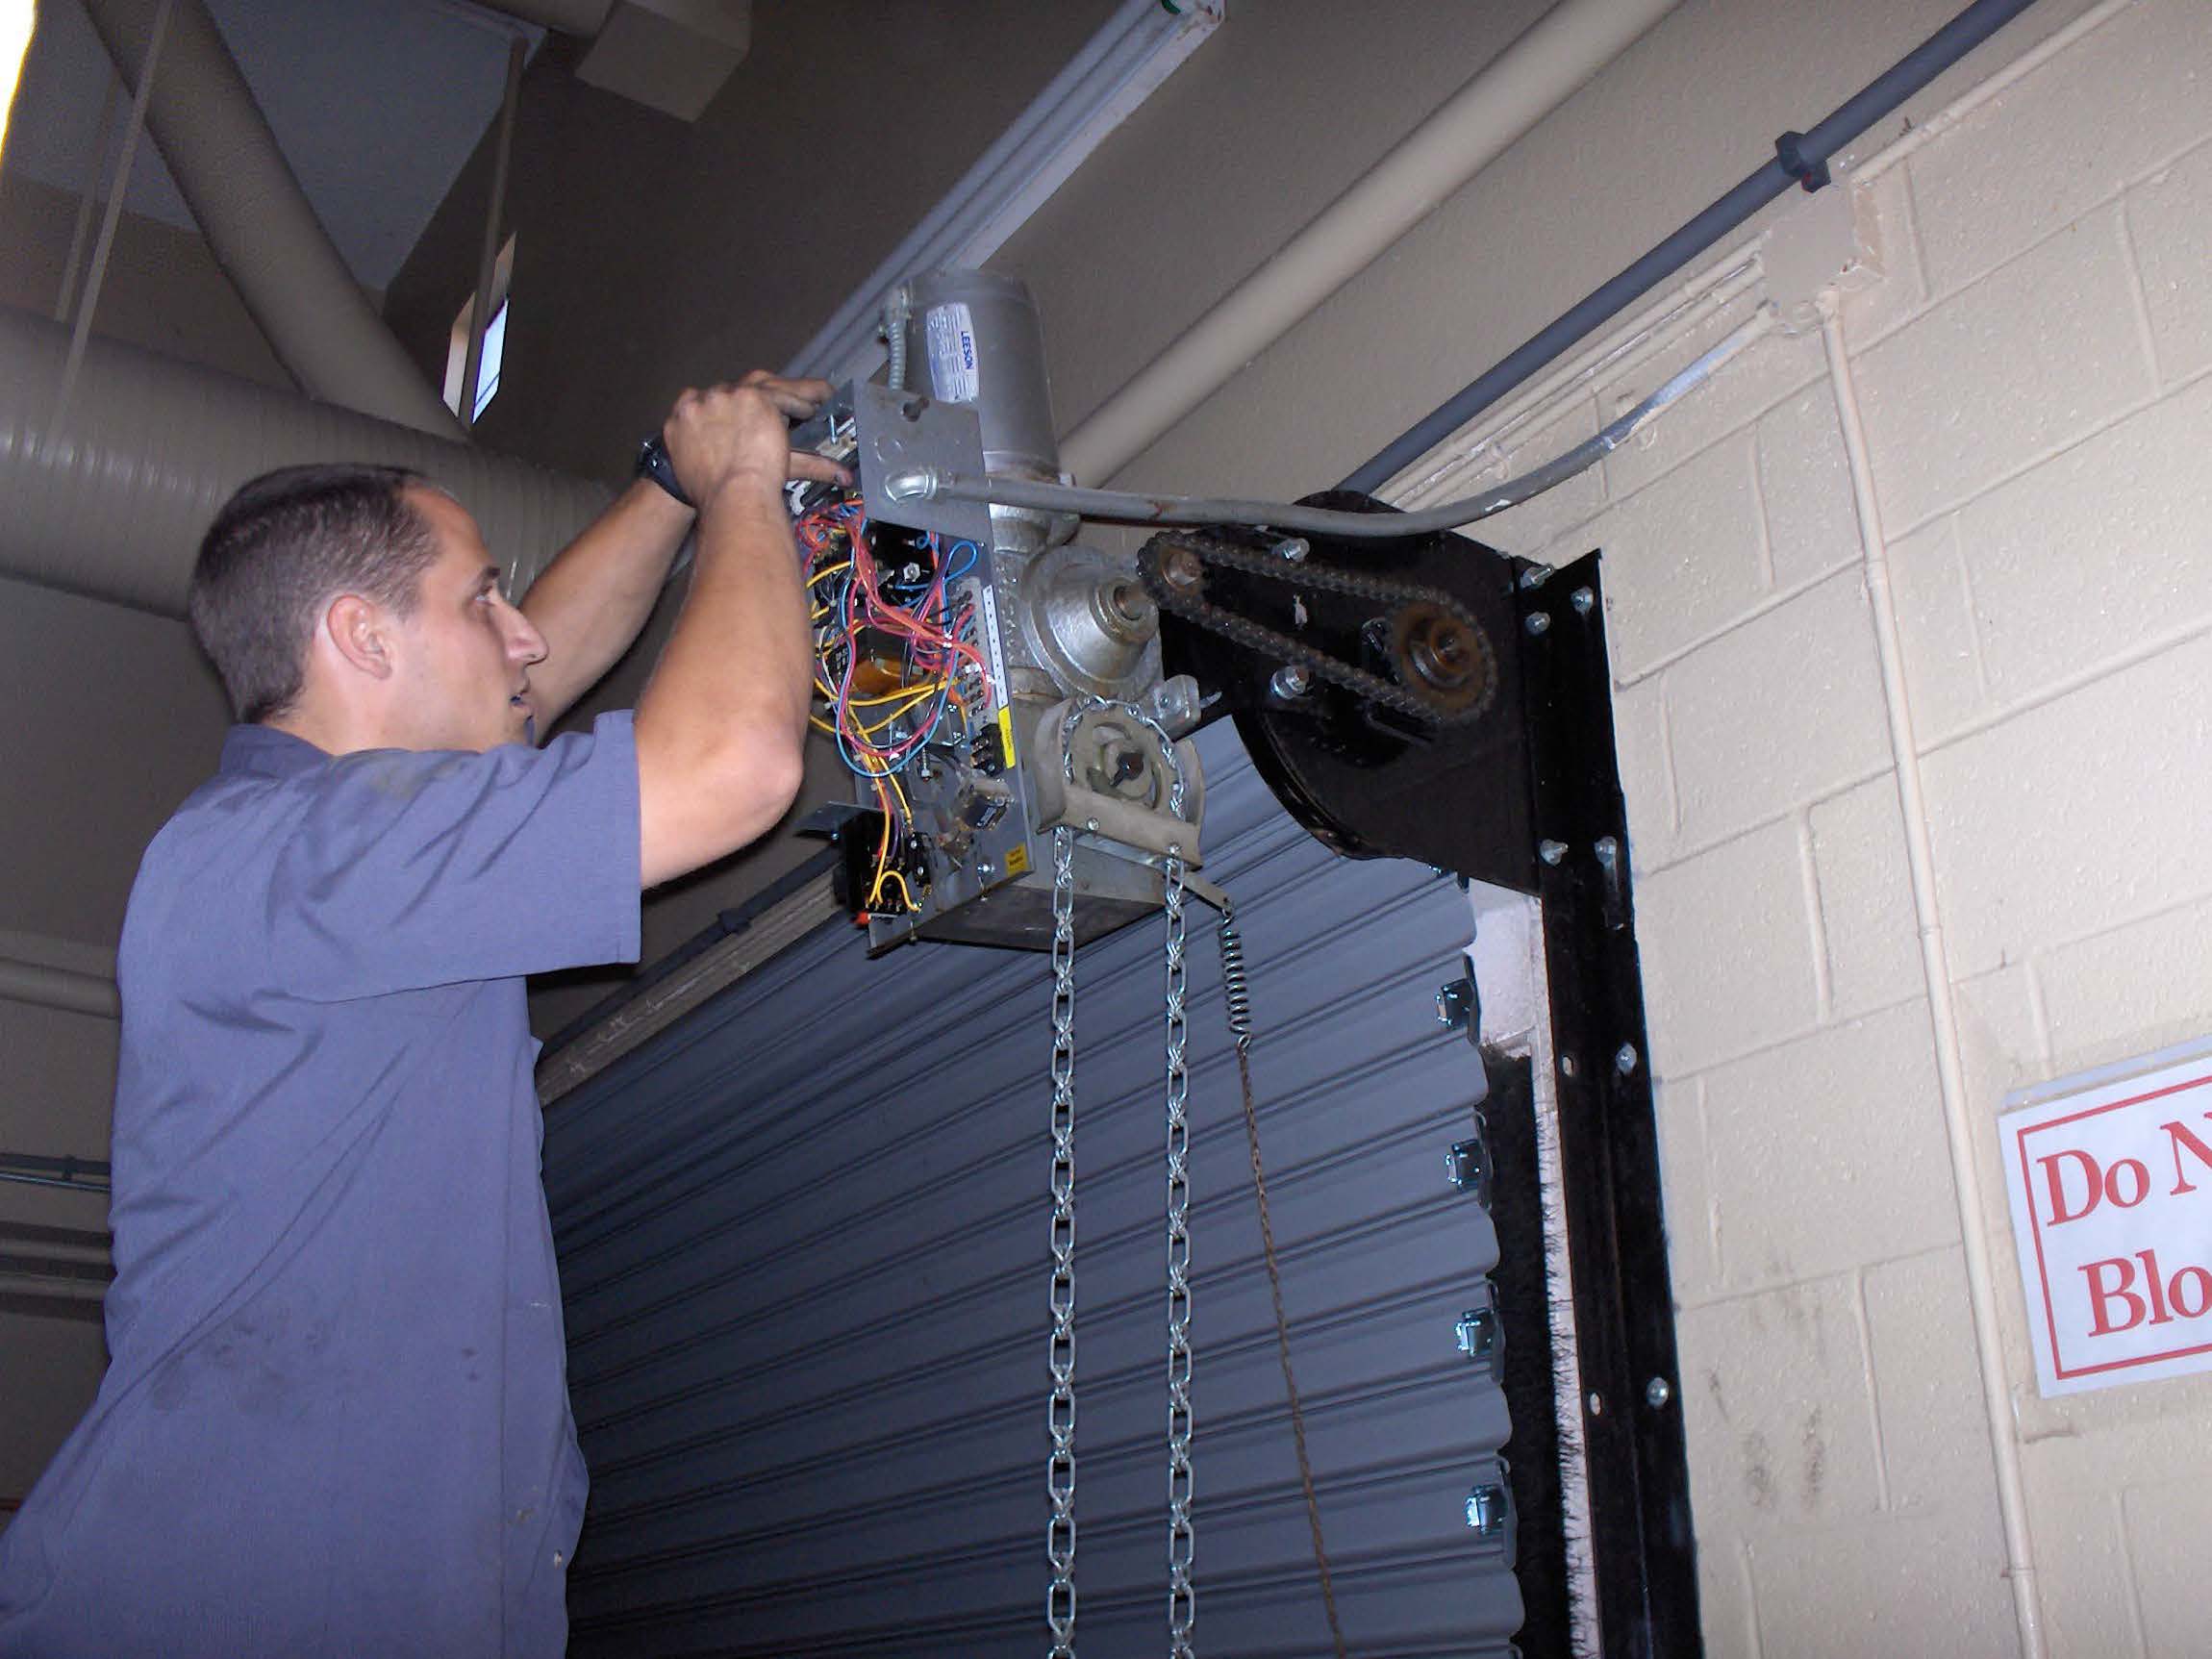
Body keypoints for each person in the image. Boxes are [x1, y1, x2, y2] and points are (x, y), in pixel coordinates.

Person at [0, 371, 845, 1658]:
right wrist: (744, 484)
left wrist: (670, 490)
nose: (524, 635)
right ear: (362, 636)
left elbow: (529, 684)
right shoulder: (313, 850)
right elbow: (733, 765)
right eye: (481, 596)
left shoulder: (314, 852)